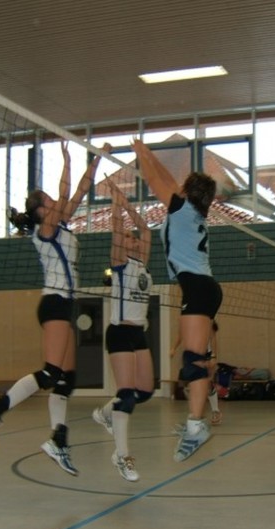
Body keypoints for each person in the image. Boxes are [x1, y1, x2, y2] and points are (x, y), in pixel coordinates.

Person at [0, 140, 111, 475]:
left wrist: (95, 161)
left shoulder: (61, 225)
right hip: (54, 303)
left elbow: (77, 192)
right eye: (49, 200)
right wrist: (66, 159)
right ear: (40, 211)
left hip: (65, 304)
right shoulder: (45, 229)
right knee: (51, 372)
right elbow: (67, 193)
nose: (57, 201)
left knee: (67, 378)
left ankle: (58, 440)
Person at [131, 138, 222, 462]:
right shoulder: (191, 212)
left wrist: (142, 153)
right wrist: (146, 155)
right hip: (201, 287)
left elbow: (158, 181)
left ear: (187, 191)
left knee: (193, 360)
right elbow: (162, 180)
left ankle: (197, 427)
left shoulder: (181, 210)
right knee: (194, 359)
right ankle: (194, 423)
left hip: (198, 288)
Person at [92, 183, 154, 482]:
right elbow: (118, 230)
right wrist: (116, 203)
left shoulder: (143, 265)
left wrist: (129, 204)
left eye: (132, 237)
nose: (132, 238)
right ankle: (122, 455)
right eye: (128, 237)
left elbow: (147, 231)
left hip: (138, 335)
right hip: (119, 333)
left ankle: (105, 413)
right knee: (127, 395)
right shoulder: (119, 263)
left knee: (145, 391)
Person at [170, 319, 223, 424]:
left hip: (206, 355)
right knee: (191, 383)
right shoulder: (189, 319)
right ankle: (196, 413)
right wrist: (173, 348)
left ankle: (215, 411)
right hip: (191, 355)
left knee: (208, 382)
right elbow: (181, 334)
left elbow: (213, 338)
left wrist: (213, 356)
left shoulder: (208, 320)